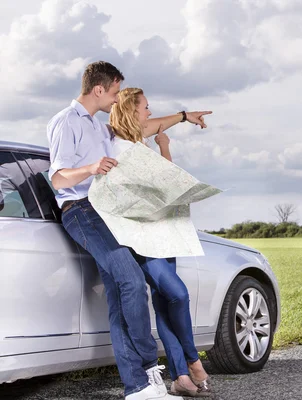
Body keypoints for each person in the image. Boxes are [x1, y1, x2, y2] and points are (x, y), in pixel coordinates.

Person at [47, 61, 210, 400]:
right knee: (133, 281)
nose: (117, 98)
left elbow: (144, 128)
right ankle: (149, 368)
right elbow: (58, 178)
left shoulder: (98, 127)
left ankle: (137, 387)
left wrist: (182, 116)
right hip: (81, 211)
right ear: (99, 89)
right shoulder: (66, 122)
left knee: (121, 299)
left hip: (106, 213)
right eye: (116, 91)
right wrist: (91, 167)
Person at [108, 87, 211, 397]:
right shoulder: (116, 144)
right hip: (141, 238)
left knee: (165, 302)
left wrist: (182, 117)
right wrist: (165, 145)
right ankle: (193, 361)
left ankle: (180, 376)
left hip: (162, 231)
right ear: (132, 111)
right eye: (146, 108)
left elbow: (159, 132)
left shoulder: (137, 138)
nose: (150, 113)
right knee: (177, 294)